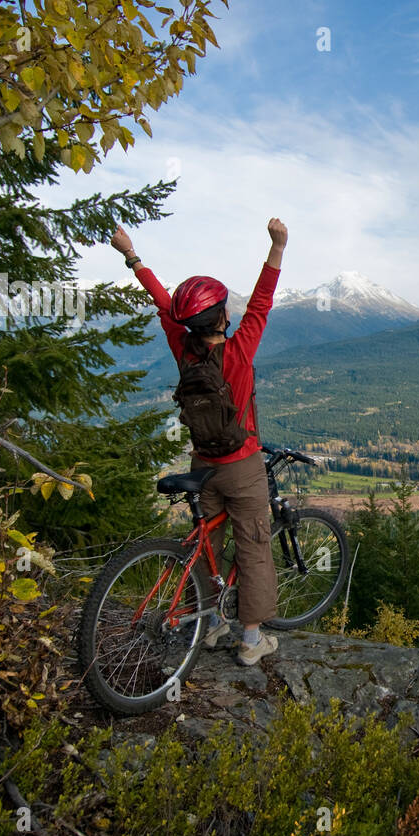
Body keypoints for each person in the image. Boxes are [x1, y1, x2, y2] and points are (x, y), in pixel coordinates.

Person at [110, 218, 288, 666]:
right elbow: (262, 302)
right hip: (242, 466)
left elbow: (164, 302)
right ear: (224, 318)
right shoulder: (241, 348)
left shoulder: (183, 348)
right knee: (253, 544)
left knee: (206, 544)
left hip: (201, 466)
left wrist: (131, 255)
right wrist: (278, 247)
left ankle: (209, 625)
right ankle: (250, 640)